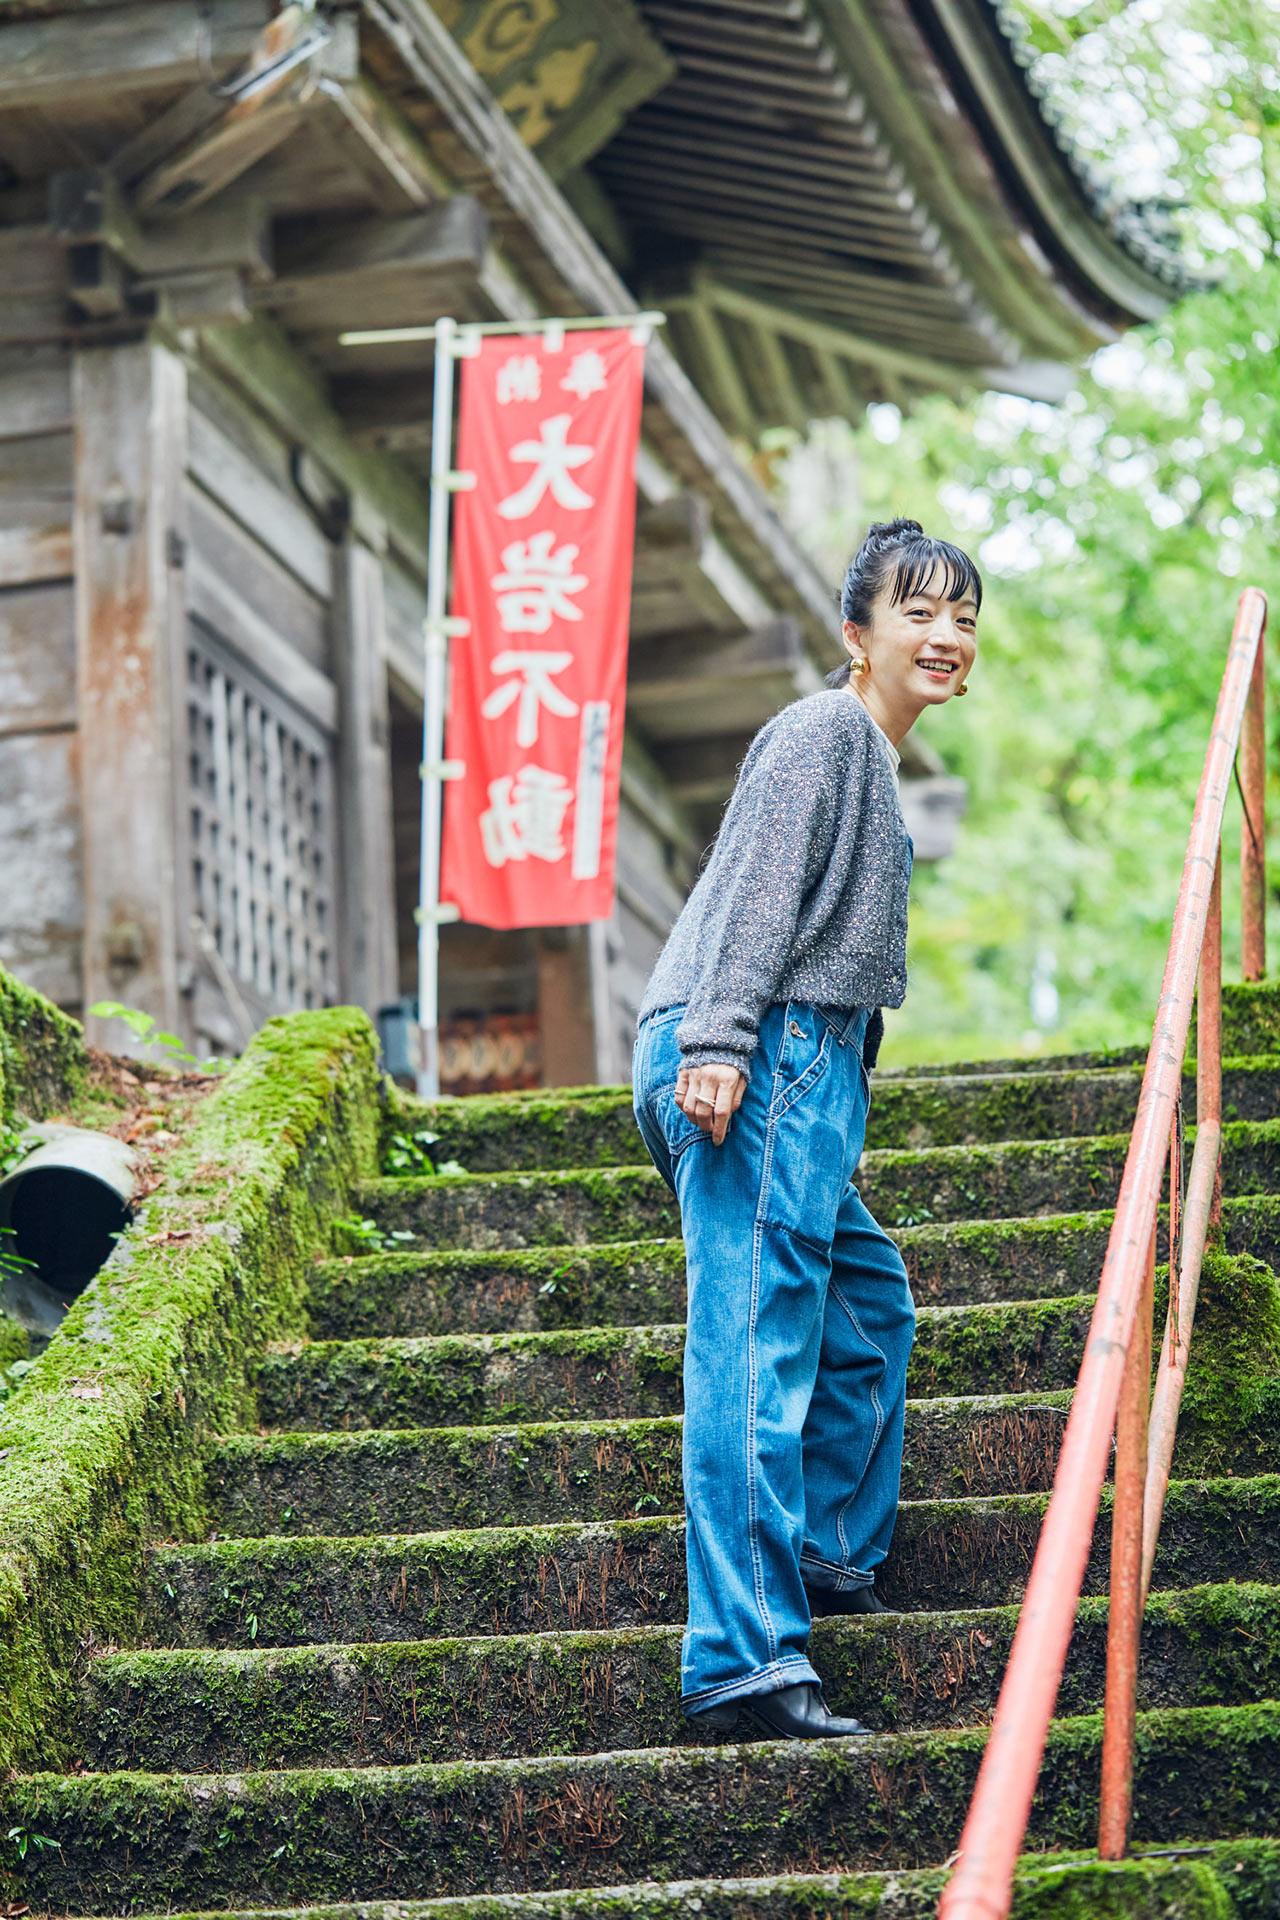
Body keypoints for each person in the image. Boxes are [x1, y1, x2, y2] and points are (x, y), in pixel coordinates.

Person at [630, 517, 982, 1741]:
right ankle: (739, 1660)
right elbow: (758, 882)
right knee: (751, 1348)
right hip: (756, 1043)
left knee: (868, 1304)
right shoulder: (825, 730)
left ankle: (825, 1552)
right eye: (919, 613)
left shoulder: (873, 761)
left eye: (963, 620)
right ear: (856, 634)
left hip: (801, 1067)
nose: (945, 637)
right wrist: (720, 1044)